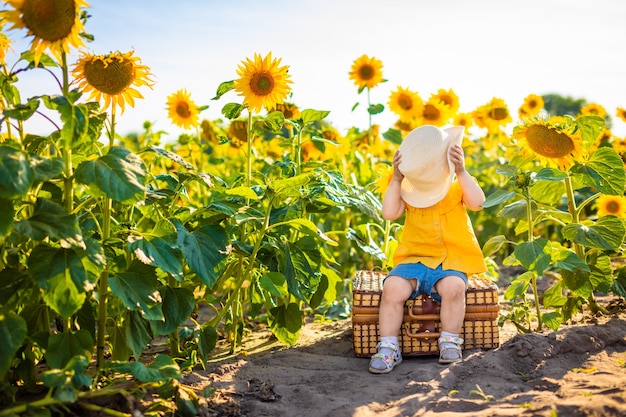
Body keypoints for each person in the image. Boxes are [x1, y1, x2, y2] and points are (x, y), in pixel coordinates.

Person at [369, 124, 487, 374]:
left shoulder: (457, 187)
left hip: (450, 260)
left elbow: (478, 203)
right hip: (414, 259)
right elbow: (389, 213)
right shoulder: (410, 193)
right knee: (391, 288)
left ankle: (450, 340)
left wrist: (463, 171)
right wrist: (397, 178)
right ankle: (389, 346)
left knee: (454, 287)